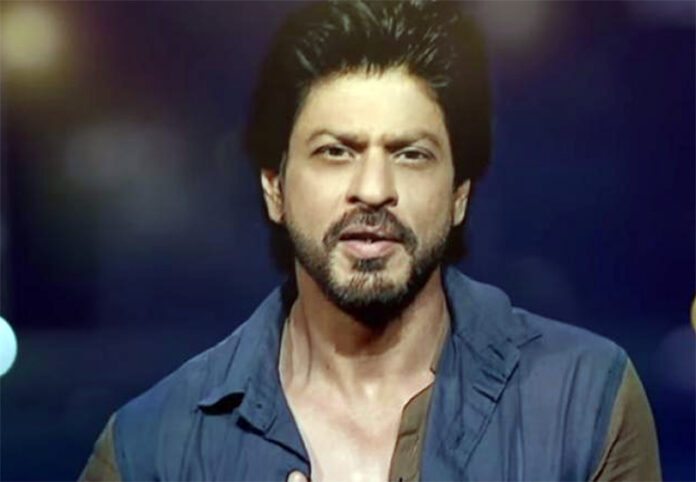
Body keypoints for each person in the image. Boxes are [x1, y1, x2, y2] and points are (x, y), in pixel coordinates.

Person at [80, 1, 661, 480]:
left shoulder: (585, 401)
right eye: (336, 151)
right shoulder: (150, 447)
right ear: (275, 188)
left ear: (459, 195)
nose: (374, 189)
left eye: (410, 154)